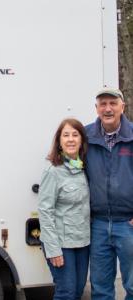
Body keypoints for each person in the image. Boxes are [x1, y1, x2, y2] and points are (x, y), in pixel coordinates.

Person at [85, 87, 133, 300]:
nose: (108, 108)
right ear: (96, 109)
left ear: (122, 107)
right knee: (101, 287)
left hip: (128, 224)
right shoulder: (85, 137)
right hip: (98, 224)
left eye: (113, 103)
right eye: (103, 104)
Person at [38, 118, 90, 300]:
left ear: (82, 140)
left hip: (82, 242)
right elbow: (45, 211)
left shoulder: (84, 168)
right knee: (66, 293)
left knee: (77, 291)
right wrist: (53, 249)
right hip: (61, 243)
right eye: (65, 135)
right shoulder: (53, 170)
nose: (70, 139)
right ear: (59, 141)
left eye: (75, 135)